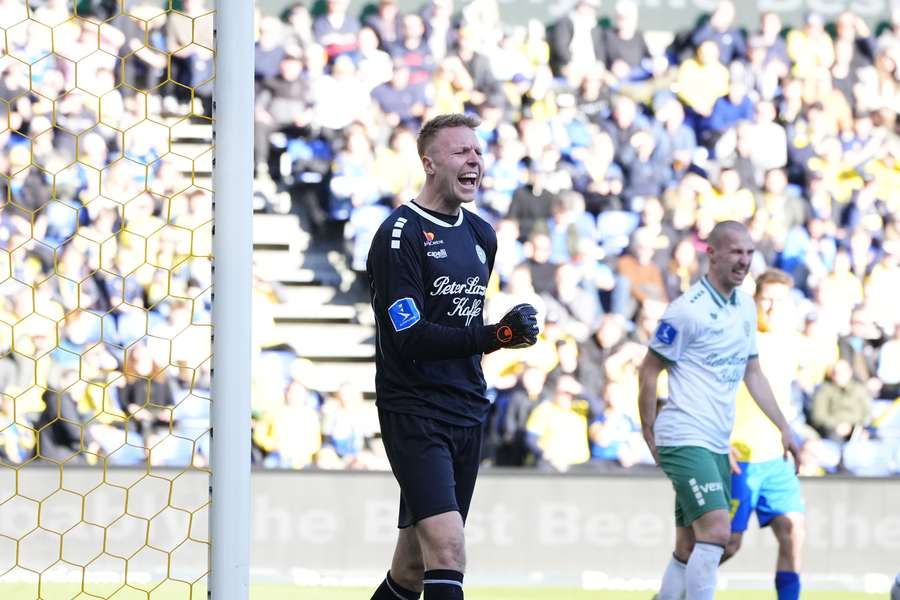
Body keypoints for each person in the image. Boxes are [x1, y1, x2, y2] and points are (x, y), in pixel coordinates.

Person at [366, 113, 540, 600]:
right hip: (414, 410)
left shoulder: (482, 235)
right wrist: (497, 335)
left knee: (412, 568)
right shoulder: (398, 235)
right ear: (429, 163)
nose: (474, 160)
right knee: (448, 553)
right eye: (461, 151)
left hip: (467, 408)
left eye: (478, 152)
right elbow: (411, 337)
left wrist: (499, 335)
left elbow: (465, 328)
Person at [638, 221, 801, 600]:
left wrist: (784, 428)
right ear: (711, 254)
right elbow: (648, 370)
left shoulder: (745, 306)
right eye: (735, 252)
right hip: (685, 436)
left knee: (687, 547)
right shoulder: (686, 312)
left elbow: (753, 373)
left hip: (716, 440)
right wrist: (649, 429)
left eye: (749, 253)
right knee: (717, 533)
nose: (744, 261)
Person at [723, 269, 805, 600]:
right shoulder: (738, 338)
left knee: (793, 529)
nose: (772, 307)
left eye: (779, 301)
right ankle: (674, 590)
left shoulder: (792, 345)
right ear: (754, 300)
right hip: (740, 456)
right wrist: (719, 439)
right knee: (727, 543)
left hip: (775, 457)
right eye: (766, 299)